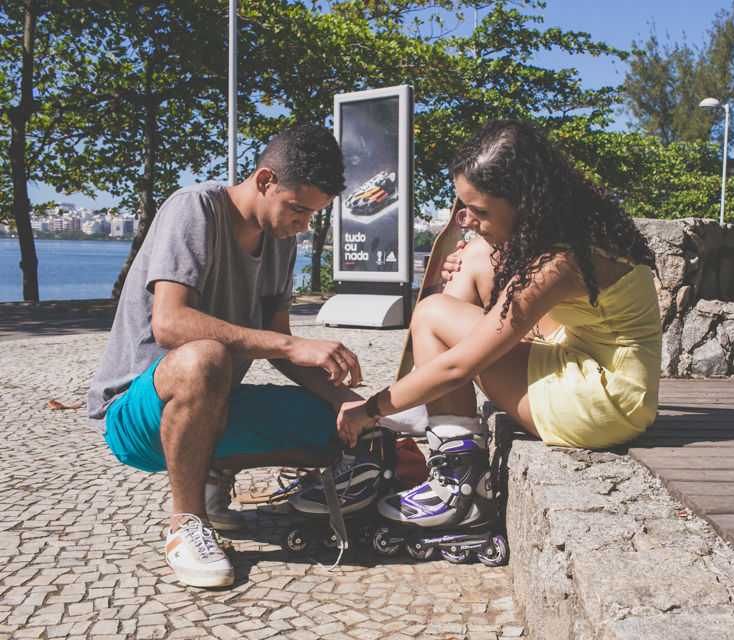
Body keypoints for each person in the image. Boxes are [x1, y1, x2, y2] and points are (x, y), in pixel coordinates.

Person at [334, 120, 662, 555]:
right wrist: (476, 266)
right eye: (464, 208)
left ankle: (460, 488)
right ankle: (431, 409)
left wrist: (369, 409)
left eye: (481, 212)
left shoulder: (561, 262)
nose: (469, 221)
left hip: (603, 402)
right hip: (589, 359)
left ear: (525, 201)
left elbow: (460, 365)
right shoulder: (573, 227)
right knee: (475, 256)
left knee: (432, 315)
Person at [86, 125, 376, 589]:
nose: (303, 225)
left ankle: (213, 472)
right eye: (298, 209)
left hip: (214, 405)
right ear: (264, 180)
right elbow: (169, 324)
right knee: (205, 358)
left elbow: (280, 343)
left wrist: (345, 399)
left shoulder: (281, 240)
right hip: (136, 411)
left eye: (313, 214)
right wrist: (290, 345)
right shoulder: (194, 208)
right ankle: (186, 523)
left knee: (350, 428)